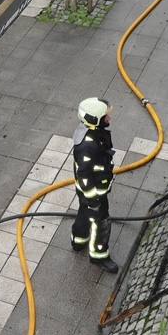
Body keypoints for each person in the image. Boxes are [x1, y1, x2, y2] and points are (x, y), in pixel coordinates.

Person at [71, 97, 119, 273]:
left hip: (90, 192)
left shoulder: (91, 133)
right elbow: (84, 175)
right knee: (101, 221)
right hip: (93, 192)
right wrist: (93, 199)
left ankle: (78, 240)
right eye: (106, 117)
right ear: (94, 120)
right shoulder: (87, 146)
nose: (109, 119)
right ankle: (99, 255)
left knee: (84, 212)